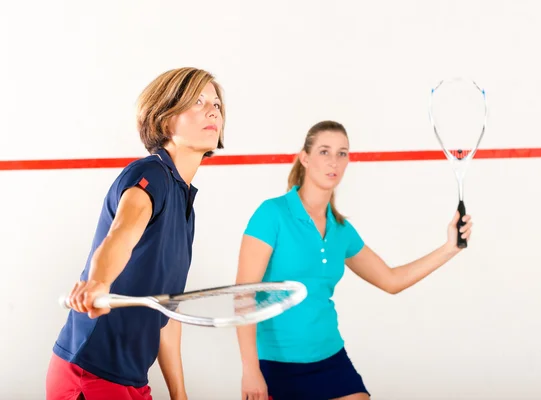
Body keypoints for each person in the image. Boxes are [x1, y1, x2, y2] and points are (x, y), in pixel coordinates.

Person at [235, 120, 473, 400]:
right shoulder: (272, 214)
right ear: (305, 158)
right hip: (277, 364)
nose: (333, 161)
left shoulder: (341, 230)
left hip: (330, 357)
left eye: (342, 153)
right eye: (324, 151)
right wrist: (250, 370)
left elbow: (391, 280)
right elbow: (243, 296)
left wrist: (449, 248)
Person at [46, 67, 226, 400]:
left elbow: (167, 314)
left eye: (215, 103)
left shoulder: (185, 202)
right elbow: (121, 234)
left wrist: (180, 395)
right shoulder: (150, 175)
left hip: (133, 380)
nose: (212, 109)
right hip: (89, 373)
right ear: (164, 117)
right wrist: (98, 281)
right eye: (197, 101)